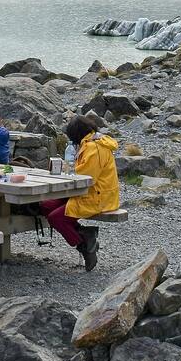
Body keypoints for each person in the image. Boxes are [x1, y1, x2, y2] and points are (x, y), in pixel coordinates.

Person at [39, 116, 120, 271]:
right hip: (88, 192)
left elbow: (86, 178)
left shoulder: (94, 148)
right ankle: (85, 234)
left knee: (56, 218)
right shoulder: (88, 144)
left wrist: (66, 171)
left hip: (97, 196)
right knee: (46, 205)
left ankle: (84, 245)